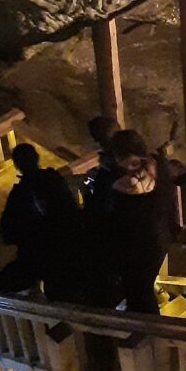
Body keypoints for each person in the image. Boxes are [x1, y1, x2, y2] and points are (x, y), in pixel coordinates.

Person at [0, 143, 82, 302]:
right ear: (37, 158)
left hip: (40, 252)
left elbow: (6, 232)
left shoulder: (20, 194)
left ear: (17, 165)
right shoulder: (54, 180)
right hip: (67, 244)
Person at [110, 129, 179, 314]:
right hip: (160, 235)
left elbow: (127, 212)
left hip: (146, 239)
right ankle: (146, 318)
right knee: (140, 286)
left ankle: (146, 322)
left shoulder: (129, 181)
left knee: (138, 285)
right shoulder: (159, 166)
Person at [81, 116, 122, 308]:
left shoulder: (113, 171)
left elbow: (103, 206)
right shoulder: (123, 164)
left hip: (112, 231)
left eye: (99, 139)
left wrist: (88, 198)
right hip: (120, 229)